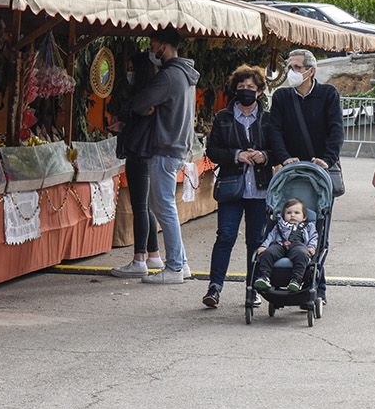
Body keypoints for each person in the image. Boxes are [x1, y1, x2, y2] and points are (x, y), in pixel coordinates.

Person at [201, 65, 274, 307]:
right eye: (241, 87)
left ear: (260, 91)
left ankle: (252, 288)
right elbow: (212, 150)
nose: (246, 91)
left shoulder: (268, 119)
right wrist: (236, 155)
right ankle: (214, 287)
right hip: (232, 186)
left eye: (251, 88)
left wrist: (264, 155)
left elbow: (278, 149)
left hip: (260, 188)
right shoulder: (224, 117)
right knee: (225, 236)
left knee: (256, 240)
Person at [133, 29, 199, 285]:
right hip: (176, 147)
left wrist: (146, 106)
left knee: (165, 209)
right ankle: (181, 264)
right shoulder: (184, 75)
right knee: (165, 207)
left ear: (164, 46)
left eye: (153, 45)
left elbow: (141, 103)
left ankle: (173, 267)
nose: (152, 50)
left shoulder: (169, 76)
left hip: (164, 148)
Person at [112, 51, 165, 280]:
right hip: (147, 152)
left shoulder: (144, 97)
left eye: (131, 67)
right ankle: (153, 254)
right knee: (146, 206)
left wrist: (123, 122)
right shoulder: (153, 94)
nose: (128, 72)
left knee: (140, 206)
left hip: (139, 153)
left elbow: (134, 115)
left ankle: (139, 258)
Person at [267, 49, 344, 194]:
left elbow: (337, 130)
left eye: (297, 67)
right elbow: (275, 130)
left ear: (311, 71)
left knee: (320, 214)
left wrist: (327, 160)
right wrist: (284, 158)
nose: (292, 71)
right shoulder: (281, 96)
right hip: (291, 171)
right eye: (290, 68)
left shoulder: (328, 94)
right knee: (292, 215)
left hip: (320, 170)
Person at [253, 199, 318, 292]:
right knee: (268, 253)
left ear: (304, 217)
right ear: (283, 216)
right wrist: (264, 246)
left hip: (299, 245)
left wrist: (312, 247)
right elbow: (270, 236)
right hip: (280, 245)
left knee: (302, 254)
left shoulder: (308, 226)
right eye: (288, 213)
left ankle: (296, 280)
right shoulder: (279, 226)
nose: (292, 215)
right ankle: (264, 277)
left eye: (297, 213)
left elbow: (314, 237)